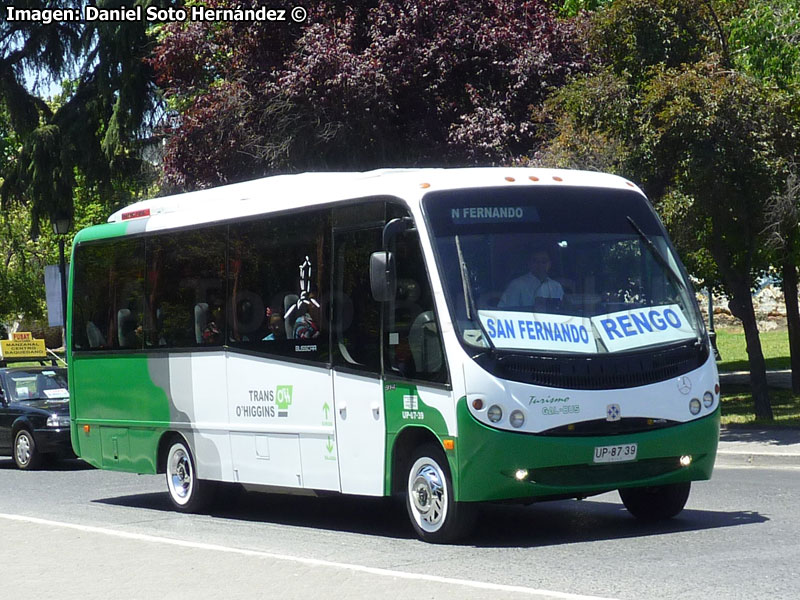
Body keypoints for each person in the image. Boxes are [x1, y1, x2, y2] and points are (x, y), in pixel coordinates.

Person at [498, 247, 564, 310]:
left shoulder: (556, 286)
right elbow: (507, 311)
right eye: (535, 261)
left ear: (549, 264)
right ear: (529, 263)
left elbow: (561, 310)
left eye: (544, 261)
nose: (540, 265)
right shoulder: (516, 285)